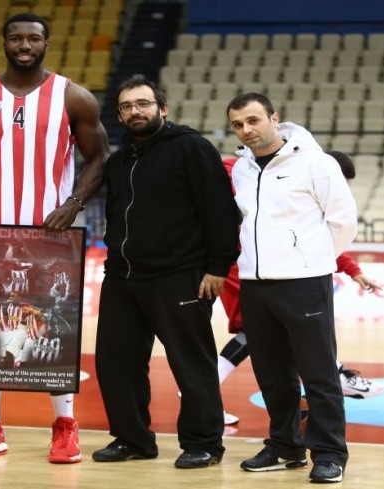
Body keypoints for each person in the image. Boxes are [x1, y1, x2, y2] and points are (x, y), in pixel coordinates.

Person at [0, 13, 109, 464]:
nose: (24, 45)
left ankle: (65, 427)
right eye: (15, 38)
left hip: (51, 233)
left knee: (51, 326)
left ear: (46, 43)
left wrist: (74, 203)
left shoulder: (73, 96)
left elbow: (99, 158)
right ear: (4, 42)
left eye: (33, 38)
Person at [92, 75, 240, 469]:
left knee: (191, 365)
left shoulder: (191, 147)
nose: (135, 111)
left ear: (162, 108)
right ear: (119, 115)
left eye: (142, 104)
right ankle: (132, 439)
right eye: (126, 106)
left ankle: (204, 443)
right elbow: (116, 216)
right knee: (116, 364)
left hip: (179, 275)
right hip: (122, 278)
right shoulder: (119, 160)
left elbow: (220, 210)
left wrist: (217, 266)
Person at [226, 93, 357, 483]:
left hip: (305, 282)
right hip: (255, 284)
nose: (246, 130)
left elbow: (343, 221)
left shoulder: (316, 162)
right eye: (237, 125)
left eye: (253, 120)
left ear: (274, 118)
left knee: (318, 373)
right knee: (272, 374)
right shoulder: (242, 169)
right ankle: (285, 446)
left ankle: (329, 453)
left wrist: (311, 261)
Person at [213, 152, 384, 425]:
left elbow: (313, 238)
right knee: (266, 329)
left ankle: (205, 392)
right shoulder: (244, 169)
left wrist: (354, 270)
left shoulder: (296, 184)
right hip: (241, 262)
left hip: (256, 262)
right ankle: (203, 391)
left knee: (271, 330)